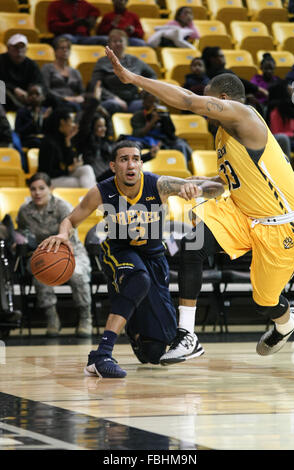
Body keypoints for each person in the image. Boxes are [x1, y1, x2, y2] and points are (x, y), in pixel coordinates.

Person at [105, 45, 294, 365]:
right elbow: (227, 184)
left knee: (265, 302)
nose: (205, 113)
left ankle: (286, 320)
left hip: (280, 225)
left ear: (222, 100)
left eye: (210, 103)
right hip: (242, 214)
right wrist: (195, 186)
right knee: (191, 247)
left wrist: (132, 78)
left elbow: (187, 100)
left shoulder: (245, 114)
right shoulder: (225, 136)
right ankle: (188, 335)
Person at [38, 140, 224, 377]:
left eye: (135, 159)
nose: (131, 164)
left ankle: (135, 332)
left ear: (141, 164)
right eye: (124, 159)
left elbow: (212, 189)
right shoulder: (102, 191)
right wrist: (63, 234)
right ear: (114, 166)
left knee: (156, 351)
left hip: (154, 256)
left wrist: (196, 188)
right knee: (139, 278)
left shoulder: (160, 184)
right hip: (118, 251)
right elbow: (71, 219)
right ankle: (101, 355)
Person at [17, 172, 93, 337]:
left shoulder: (62, 206)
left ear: (50, 188)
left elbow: (71, 231)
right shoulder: (24, 211)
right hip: (42, 254)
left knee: (77, 275)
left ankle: (85, 317)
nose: (37, 193)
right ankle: (52, 319)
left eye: (41, 188)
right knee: (41, 275)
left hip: (70, 251)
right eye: (33, 189)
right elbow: (23, 234)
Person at [90, 29, 157, 115]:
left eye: (121, 41)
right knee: (112, 105)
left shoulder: (135, 61)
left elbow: (152, 75)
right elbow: (96, 85)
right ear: (109, 45)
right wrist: (114, 98)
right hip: (112, 99)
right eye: (114, 41)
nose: (118, 43)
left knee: (149, 105)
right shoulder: (102, 62)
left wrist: (145, 89)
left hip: (134, 99)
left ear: (126, 44)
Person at [38, 108, 97, 188]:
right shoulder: (48, 142)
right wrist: (68, 169)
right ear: (62, 122)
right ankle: (94, 199)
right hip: (49, 180)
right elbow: (47, 172)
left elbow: (70, 161)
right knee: (79, 183)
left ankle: (94, 198)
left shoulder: (63, 139)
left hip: (64, 175)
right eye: (71, 121)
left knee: (87, 168)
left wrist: (68, 140)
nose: (74, 125)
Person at [130, 90, 192, 163]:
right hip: (145, 140)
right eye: (150, 102)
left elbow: (171, 133)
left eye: (156, 102)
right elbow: (138, 134)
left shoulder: (163, 114)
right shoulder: (138, 115)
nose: (154, 105)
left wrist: (166, 119)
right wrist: (152, 121)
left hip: (162, 140)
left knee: (181, 145)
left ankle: (184, 167)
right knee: (135, 146)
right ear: (144, 103)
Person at [0, 34, 44, 111]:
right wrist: (14, 89)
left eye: (22, 47)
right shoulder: (1, 60)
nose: (19, 50)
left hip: (26, 97)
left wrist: (33, 92)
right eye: (15, 47)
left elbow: (39, 82)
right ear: (8, 48)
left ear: (26, 49)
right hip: (5, 97)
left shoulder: (31, 64)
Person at [41, 36, 85, 112]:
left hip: (73, 102)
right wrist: (64, 98)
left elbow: (83, 92)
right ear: (55, 51)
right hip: (55, 103)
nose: (65, 50)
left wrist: (80, 97)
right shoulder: (47, 68)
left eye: (68, 48)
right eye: (62, 48)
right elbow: (46, 90)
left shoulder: (75, 72)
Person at [15, 84, 52, 149]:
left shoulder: (46, 111)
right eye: (31, 94)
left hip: (42, 139)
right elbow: (19, 132)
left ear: (43, 97)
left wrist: (45, 120)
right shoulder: (22, 112)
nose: (34, 96)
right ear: (27, 96)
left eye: (37, 94)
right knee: (38, 142)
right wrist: (36, 120)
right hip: (28, 140)